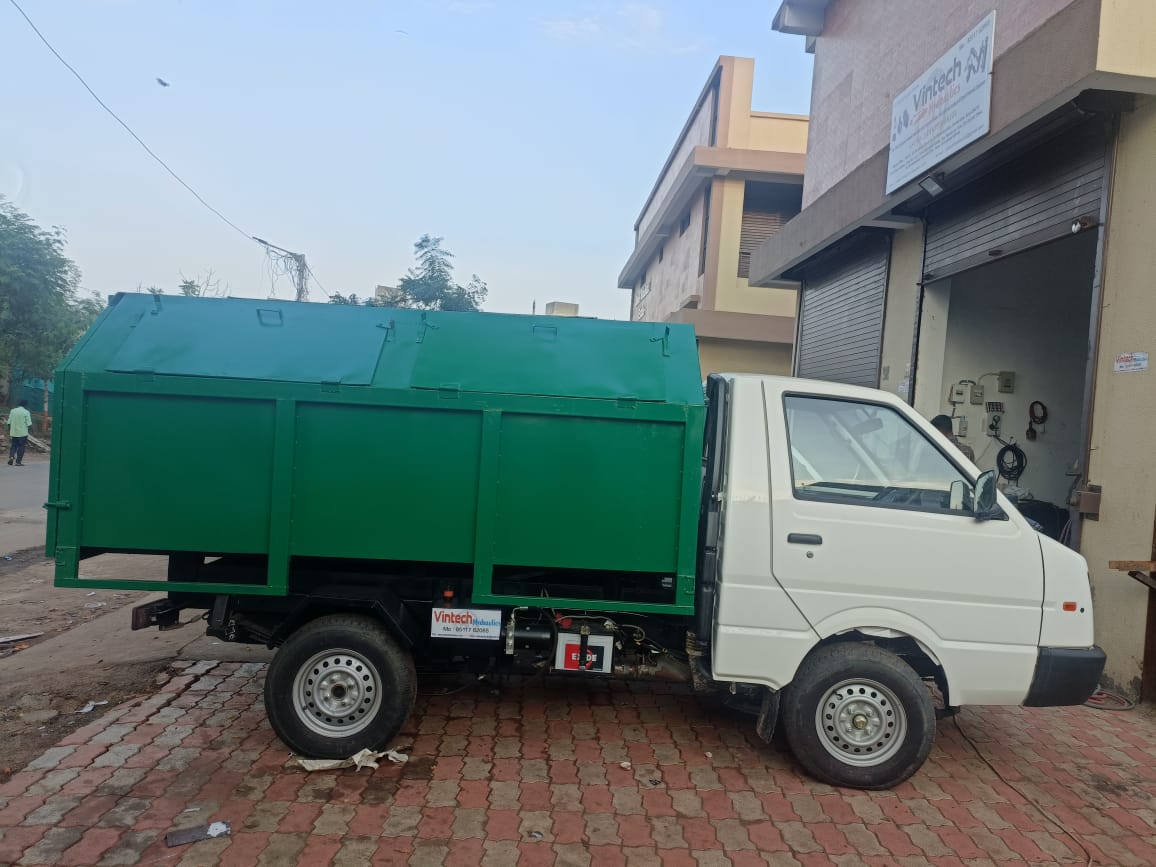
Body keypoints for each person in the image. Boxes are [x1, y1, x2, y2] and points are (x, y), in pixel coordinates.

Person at [7, 400, 32, 466]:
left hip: (14, 433)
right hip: (22, 433)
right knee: (21, 447)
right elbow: (29, 424)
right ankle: (18, 462)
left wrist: (10, 430)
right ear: (26, 405)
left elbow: (9, 422)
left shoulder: (12, 411)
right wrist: (29, 431)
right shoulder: (26, 412)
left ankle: (11, 457)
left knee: (13, 445)